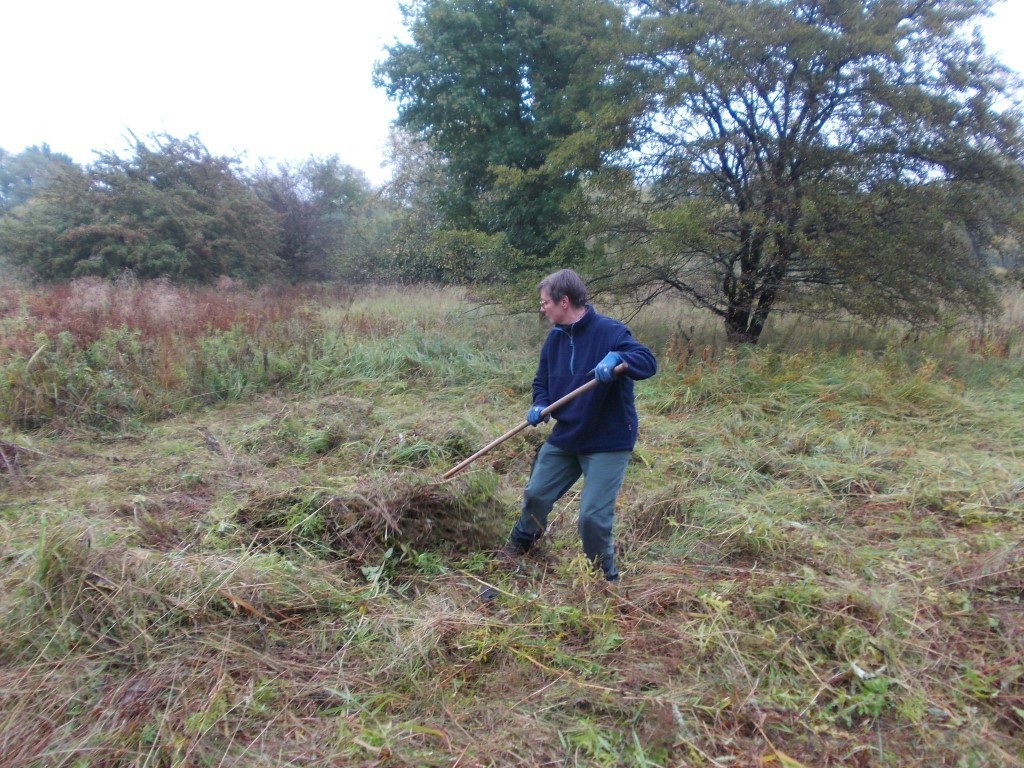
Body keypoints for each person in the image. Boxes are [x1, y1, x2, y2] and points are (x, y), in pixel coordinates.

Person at [503, 268, 657, 581]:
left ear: (563, 301)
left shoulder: (609, 331)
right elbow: (541, 381)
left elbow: (647, 361)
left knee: (592, 516)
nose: (541, 307)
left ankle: (602, 575)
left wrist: (616, 358)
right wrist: (539, 403)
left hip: (608, 439)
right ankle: (524, 540)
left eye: (545, 302)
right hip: (568, 435)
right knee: (536, 494)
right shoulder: (555, 338)